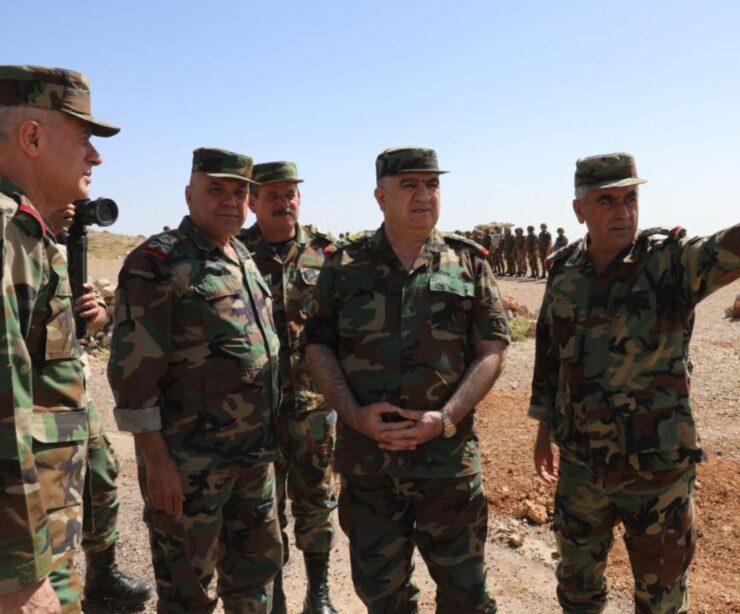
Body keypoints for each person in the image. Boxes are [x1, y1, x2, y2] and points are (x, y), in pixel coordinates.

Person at [530, 152, 740, 613]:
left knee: (662, 600)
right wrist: (543, 427)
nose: (623, 211)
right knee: (576, 590)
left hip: (657, 472)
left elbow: (727, 248)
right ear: (579, 210)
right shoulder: (564, 270)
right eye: (607, 200)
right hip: (581, 467)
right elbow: (550, 353)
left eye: (630, 198)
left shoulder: (668, 262)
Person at [306, 146, 509, 614]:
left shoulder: (468, 262)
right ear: (381, 196)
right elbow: (318, 345)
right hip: (369, 466)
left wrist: (447, 418)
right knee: (383, 596)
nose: (424, 196)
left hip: (447, 465)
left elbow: (492, 349)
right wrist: (354, 416)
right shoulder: (344, 265)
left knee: (467, 594)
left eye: (432, 184)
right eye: (409, 185)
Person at [108, 147, 284, 613]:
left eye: (239, 192)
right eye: (216, 190)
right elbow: (133, 376)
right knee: (188, 592)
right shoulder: (157, 262)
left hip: (252, 459)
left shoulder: (242, 254)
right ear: (189, 194)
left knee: (253, 580)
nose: (230, 201)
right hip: (189, 467)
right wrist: (158, 463)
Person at [0, 64, 119, 614]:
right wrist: (19, 575)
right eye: (84, 139)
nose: (94, 156)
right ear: (32, 137)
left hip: (47, 535)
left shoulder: (30, 234)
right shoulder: (5, 239)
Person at [237, 161, 338, 614]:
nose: (284, 203)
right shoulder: (235, 255)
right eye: (272, 195)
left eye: (290, 194)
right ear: (253, 201)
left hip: (314, 407)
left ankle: (318, 594)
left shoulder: (326, 254)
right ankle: (274, 598)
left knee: (317, 500)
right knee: (265, 508)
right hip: (255, 412)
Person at [44, 204, 155, 609]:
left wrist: (94, 315)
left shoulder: (50, 243)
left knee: (100, 475)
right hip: (37, 397)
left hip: (72, 383)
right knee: (49, 498)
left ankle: (102, 575)